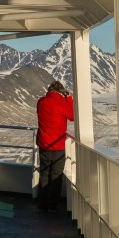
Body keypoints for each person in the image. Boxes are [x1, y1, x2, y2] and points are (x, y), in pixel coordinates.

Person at [36, 80, 74, 211]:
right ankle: (52, 206)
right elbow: (72, 116)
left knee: (45, 173)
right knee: (56, 176)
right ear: (61, 92)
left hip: (44, 144)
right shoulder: (62, 103)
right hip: (57, 145)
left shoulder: (41, 102)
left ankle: (42, 204)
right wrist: (69, 98)